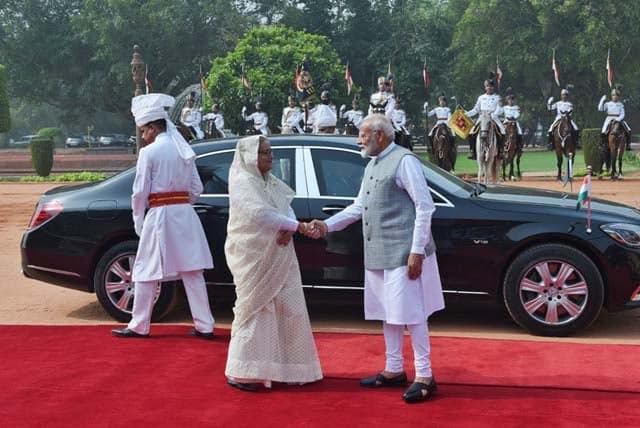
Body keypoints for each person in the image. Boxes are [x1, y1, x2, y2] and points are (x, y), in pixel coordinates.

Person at [306, 114, 445, 404]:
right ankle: (394, 369)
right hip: (379, 252)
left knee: (413, 314)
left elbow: (425, 207)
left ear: (380, 136)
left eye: (363, 134)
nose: (359, 140)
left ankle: (425, 375)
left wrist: (416, 251)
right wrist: (327, 226)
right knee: (388, 313)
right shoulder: (373, 163)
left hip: (404, 253)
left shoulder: (405, 161)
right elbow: (359, 207)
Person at [224, 135, 323, 391]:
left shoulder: (270, 181)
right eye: (264, 153)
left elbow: (284, 207)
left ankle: (291, 369)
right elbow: (259, 213)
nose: (271, 156)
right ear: (249, 157)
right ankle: (244, 371)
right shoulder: (243, 181)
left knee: (290, 308)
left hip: (280, 253)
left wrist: (290, 226)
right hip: (254, 255)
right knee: (256, 308)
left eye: (270, 151)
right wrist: (297, 226)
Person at [112, 93, 215, 339]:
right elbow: (197, 189)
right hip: (185, 215)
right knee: (192, 271)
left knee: (146, 270)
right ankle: (205, 325)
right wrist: (180, 203)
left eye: (143, 131)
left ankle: (139, 324)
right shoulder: (183, 149)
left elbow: (139, 193)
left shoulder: (149, 153)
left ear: (152, 127)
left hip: (159, 216)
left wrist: (139, 220)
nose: (143, 136)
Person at [465, 75, 505, 159]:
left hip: (493, 117)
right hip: (482, 117)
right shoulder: (481, 97)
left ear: (493, 87)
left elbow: (500, 110)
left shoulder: (497, 98)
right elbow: (475, 109)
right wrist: (466, 114)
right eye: (487, 86)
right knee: (471, 132)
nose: (489, 87)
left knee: (502, 131)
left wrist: (496, 112)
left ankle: (501, 151)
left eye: (490, 86)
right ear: (485, 87)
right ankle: (473, 151)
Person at [598, 85, 631, 151]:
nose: (615, 97)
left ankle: (628, 144)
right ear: (611, 96)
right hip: (609, 118)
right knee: (603, 131)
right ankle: (603, 144)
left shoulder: (620, 104)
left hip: (619, 119)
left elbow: (622, 114)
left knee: (628, 130)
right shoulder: (608, 104)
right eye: (613, 95)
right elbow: (600, 109)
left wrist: (618, 119)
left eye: (616, 95)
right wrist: (602, 100)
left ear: (618, 97)